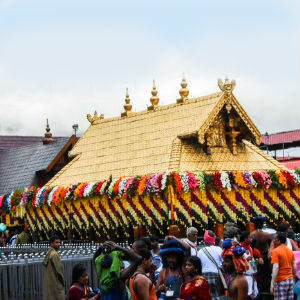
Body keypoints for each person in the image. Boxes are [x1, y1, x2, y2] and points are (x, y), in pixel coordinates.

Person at [197, 230, 226, 300]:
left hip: (203, 277)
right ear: (214, 239)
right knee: (218, 297)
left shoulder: (200, 251)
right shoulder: (219, 249)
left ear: (205, 239)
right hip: (216, 276)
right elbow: (224, 262)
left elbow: (198, 265)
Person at [270, 232, 296, 300]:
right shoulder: (290, 251)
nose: (274, 241)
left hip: (280, 280)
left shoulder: (276, 251)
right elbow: (294, 265)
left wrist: (272, 283)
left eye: (275, 239)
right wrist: (293, 279)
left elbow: (276, 267)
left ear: (279, 241)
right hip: (290, 279)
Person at [42, 234, 65, 300]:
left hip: (50, 283)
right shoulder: (54, 254)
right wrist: (63, 282)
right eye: (56, 242)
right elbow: (59, 271)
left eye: (59, 242)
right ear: (51, 244)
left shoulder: (49, 252)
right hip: (56, 283)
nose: (59, 244)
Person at [240, 231, 258, 300]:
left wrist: (255, 269)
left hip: (251, 276)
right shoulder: (239, 248)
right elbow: (237, 263)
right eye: (250, 237)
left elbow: (252, 261)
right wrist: (246, 260)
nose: (251, 239)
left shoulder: (250, 248)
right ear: (245, 239)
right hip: (244, 277)